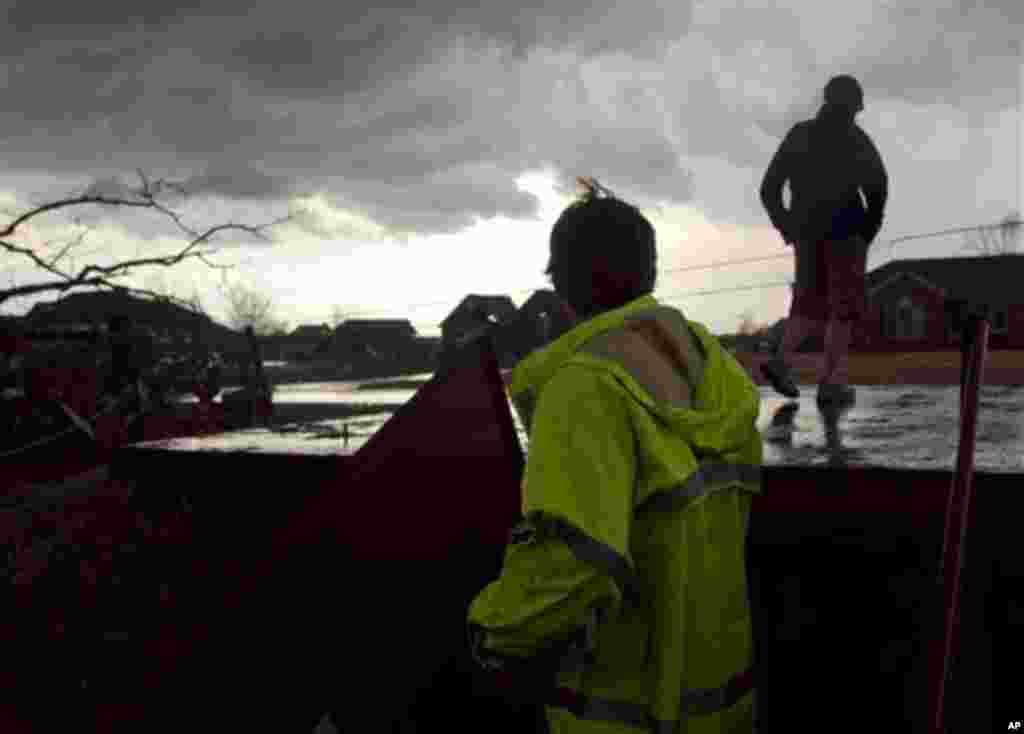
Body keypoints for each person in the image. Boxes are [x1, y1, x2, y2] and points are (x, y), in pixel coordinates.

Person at [466, 177, 762, 733]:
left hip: (625, 717)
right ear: (650, 273)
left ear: (561, 286)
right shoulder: (717, 373)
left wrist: (492, 631)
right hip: (721, 709)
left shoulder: (584, 388)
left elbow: (572, 560)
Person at [759, 74, 888, 407]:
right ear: (855, 106)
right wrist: (867, 232)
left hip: (807, 234)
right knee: (842, 310)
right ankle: (831, 384)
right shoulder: (856, 139)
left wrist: (788, 226)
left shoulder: (800, 135)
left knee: (807, 307)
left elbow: (769, 189)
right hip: (846, 233)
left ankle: (781, 362)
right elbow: (878, 188)